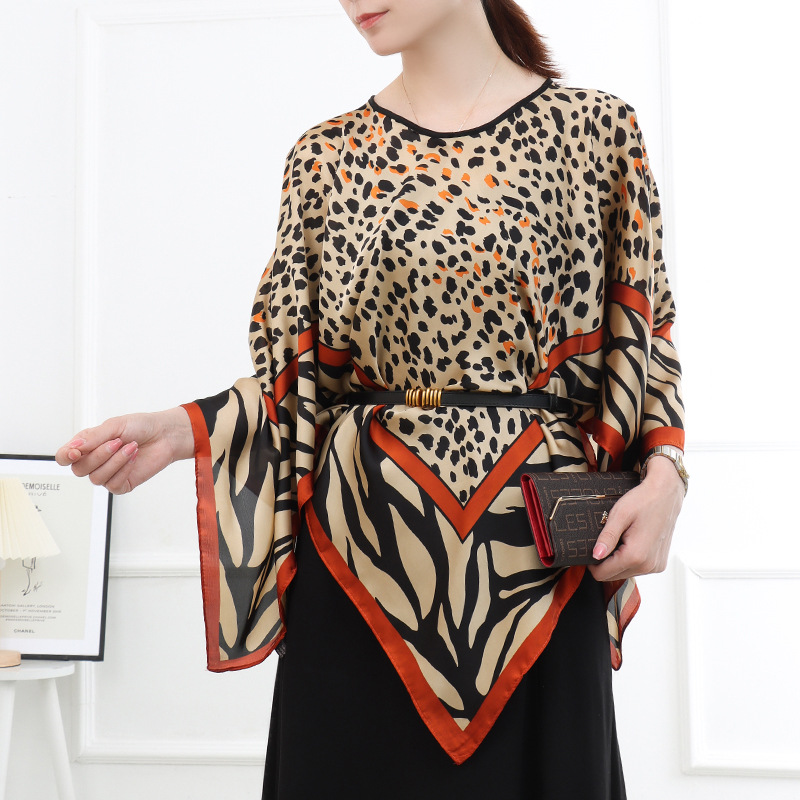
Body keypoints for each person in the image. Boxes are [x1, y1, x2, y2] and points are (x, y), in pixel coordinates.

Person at [56, 1, 687, 797]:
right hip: (359, 562)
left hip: (540, 566)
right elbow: (303, 383)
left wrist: (667, 475)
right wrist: (183, 431)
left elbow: (645, 333)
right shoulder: (326, 157)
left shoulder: (596, 133)